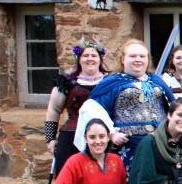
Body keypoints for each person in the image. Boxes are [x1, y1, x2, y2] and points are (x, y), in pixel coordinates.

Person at [74, 40, 175, 170]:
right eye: (132, 56)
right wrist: (112, 133)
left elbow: (172, 109)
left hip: (159, 144)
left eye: (142, 56)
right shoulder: (112, 83)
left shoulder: (156, 81)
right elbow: (92, 110)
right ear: (123, 59)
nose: (138, 59)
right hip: (128, 146)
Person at [44, 39, 108, 176]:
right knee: (69, 178)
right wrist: (50, 139)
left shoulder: (110, 82)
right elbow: (53, 110)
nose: (90, 59)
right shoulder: (67, 83)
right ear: (79, 59)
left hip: (102, 138)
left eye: (94, 55)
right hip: (70, 137)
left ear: (100, 59)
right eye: (85, 56)